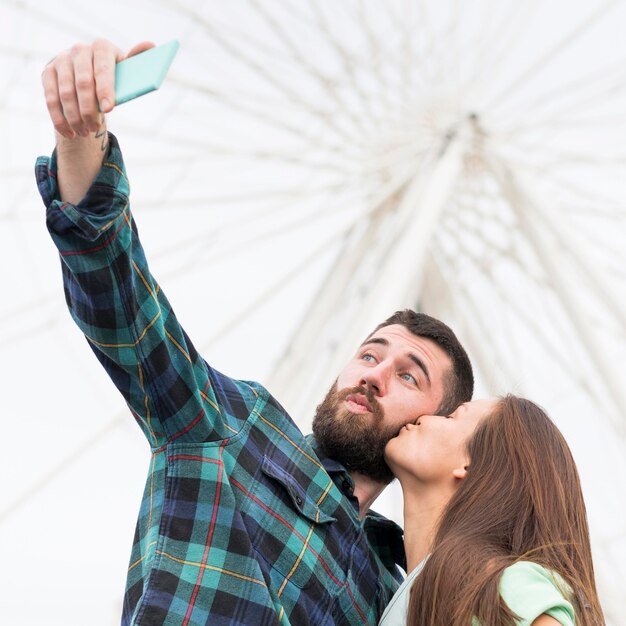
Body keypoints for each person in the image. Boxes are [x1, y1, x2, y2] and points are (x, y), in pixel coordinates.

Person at [37, 40, 474, 625]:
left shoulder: (396, 596)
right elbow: (125, 310)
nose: (373, 373)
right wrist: (79, 133)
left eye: (408, 375)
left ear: (435, 426)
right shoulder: (236, 427)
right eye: (370, 353)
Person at [380, 395, 605, 626]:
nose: (423, 418)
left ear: (469, 463)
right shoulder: (397, 593)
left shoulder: (504, 585)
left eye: (451, 417)